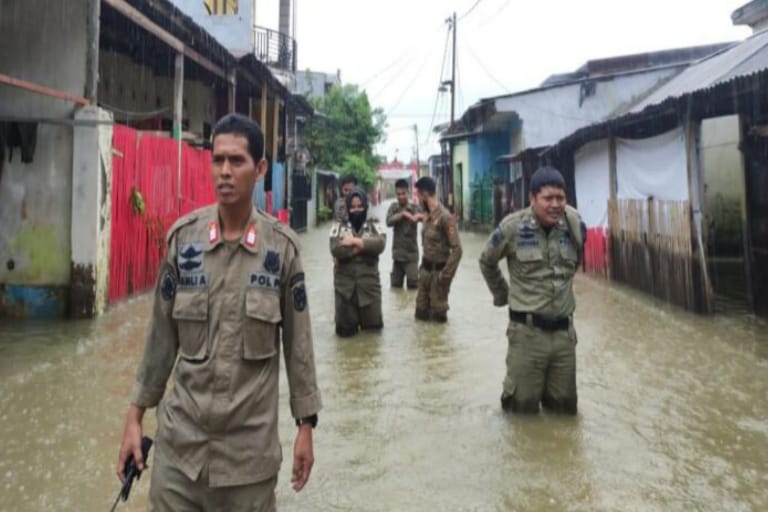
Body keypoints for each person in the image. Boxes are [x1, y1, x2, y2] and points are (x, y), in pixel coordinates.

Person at [116, 113, 322, 510]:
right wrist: (134, 418)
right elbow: (159, 340)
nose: (224, 172)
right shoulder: (183, 241)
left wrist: (305, 427)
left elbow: (300, 348)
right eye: (218, 160)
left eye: (237, 161)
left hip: (248, 464)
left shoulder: (281, 251)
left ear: (260, 169)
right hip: (180, 457)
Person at [478, 166, 584, 415]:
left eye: (560, 198)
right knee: (520, 412)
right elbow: (486, 261)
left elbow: (574, 263)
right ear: (533, 198)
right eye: (548, 198)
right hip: (527, 335)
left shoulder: (574, 224)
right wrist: (503, 296)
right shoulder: (512, 227)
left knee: (565, 413)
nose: (555, 205)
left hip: (564, 338)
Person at [330, 187, 386, 337]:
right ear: (348, 208)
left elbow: (380, 244)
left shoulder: (374, 223)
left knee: (373, 338)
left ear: (365, 206)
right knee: (345, 340)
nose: (356, 210)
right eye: (353, 207)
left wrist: (355, 242)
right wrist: (365, 247)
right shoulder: (339, 226)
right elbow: (336, 249)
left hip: (370, 291)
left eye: (360, 206)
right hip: (345, 293)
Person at [413, 176, 462, 322]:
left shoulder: (446, 217)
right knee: (420, 316)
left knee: (437, 320)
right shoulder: (427, 214)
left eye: (418, 195)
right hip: (425, 273)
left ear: (425, 195)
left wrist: (445, 276)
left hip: (439, 277)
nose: (418, 199)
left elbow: (458, 249)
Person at [386, 178, 422, 289]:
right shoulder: (393, 207)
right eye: (398, 194)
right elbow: (388, 222)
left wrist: (418, 217)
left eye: (403, 193)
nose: (401, 196)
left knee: (413, 288)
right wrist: (402, 215)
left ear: (408, 192)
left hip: (411, 256)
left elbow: (429, 217)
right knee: (396, 288)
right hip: (397, 257)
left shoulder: (415, 207)